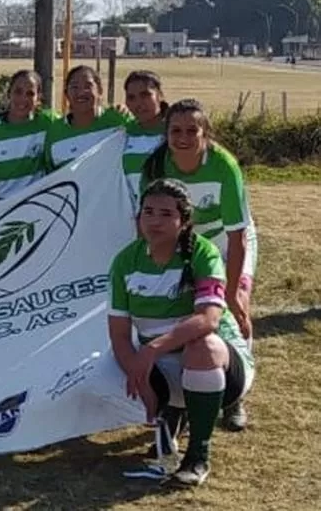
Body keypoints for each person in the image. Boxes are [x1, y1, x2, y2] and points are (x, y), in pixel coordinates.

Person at [108, 178, 254, 487]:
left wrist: (150, 350)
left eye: (165, 214)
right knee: (102, 370)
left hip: (219, 365)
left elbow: (208, 319)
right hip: (164, 363)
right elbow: (119, 336)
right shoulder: (124, 261)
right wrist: (137, 370)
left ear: (184, 221)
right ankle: (168, 414)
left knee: (202, 347)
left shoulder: (203, 252)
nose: (155, 221)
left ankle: (197, 455)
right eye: (148, 212)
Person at [141, 99, 257, 432]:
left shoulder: (223, 165)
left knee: (234, 311)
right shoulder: (156, 165)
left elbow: (238, 237)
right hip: (183, 245)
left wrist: (233, 291)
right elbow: (147, 223)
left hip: (224, 243)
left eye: (192, 130)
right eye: (176, 130)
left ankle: (235, 398)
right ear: (166, 133)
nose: (183, 137)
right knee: (178, 312)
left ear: (205, 133)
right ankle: (179, 401)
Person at [0, 70, 57, 202]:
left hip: (37, 201)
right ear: (9, 93)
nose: (23, 99)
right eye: (18, 92)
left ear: (38, 98)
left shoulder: (47, 122)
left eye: (30, 94)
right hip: (2, 203)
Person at [44, 65, 133, 170]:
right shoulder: (55, 131)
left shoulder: (118, 119)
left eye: (88, 86)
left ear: (100, 91)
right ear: (66, 94)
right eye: (74, 87)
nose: (81, 92)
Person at [122, 70, 168, 202]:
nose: (138, 103)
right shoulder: (124, 133)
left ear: (160, 95)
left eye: (145, 95)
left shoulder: (176, 131)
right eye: (131, 97)